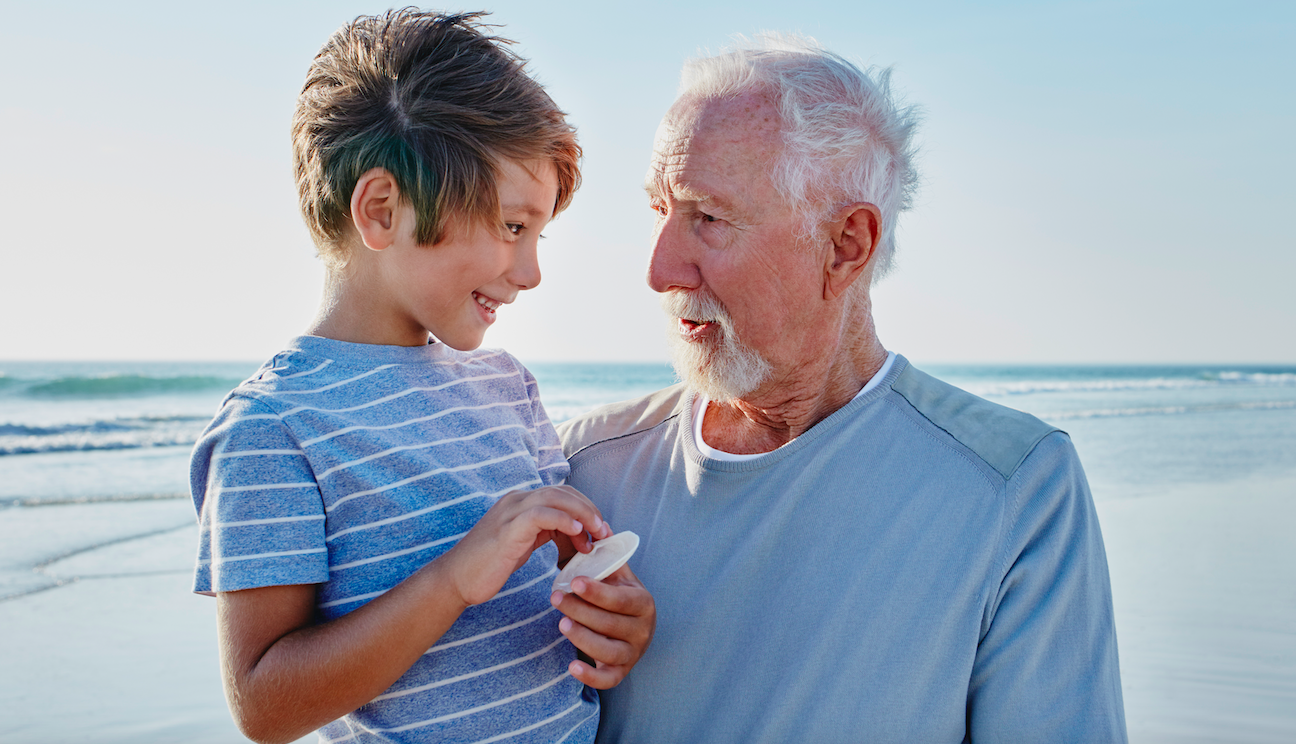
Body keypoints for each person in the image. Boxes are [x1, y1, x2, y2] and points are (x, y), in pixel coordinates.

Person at [559, 35, 1126, 743]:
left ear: (845, 245)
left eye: (707, 217)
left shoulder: (1014, 489)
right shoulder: (582, 469)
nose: (660, 268)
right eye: (658, 209)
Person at [189, 11, 653, 744]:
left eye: (538, 235)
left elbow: (560, 607)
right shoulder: (274, 429)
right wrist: (452, 581)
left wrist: (611, 623)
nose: (531, 272)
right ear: (381, 210)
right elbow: (265, 706)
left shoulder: (508, 387)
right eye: (510, 227)